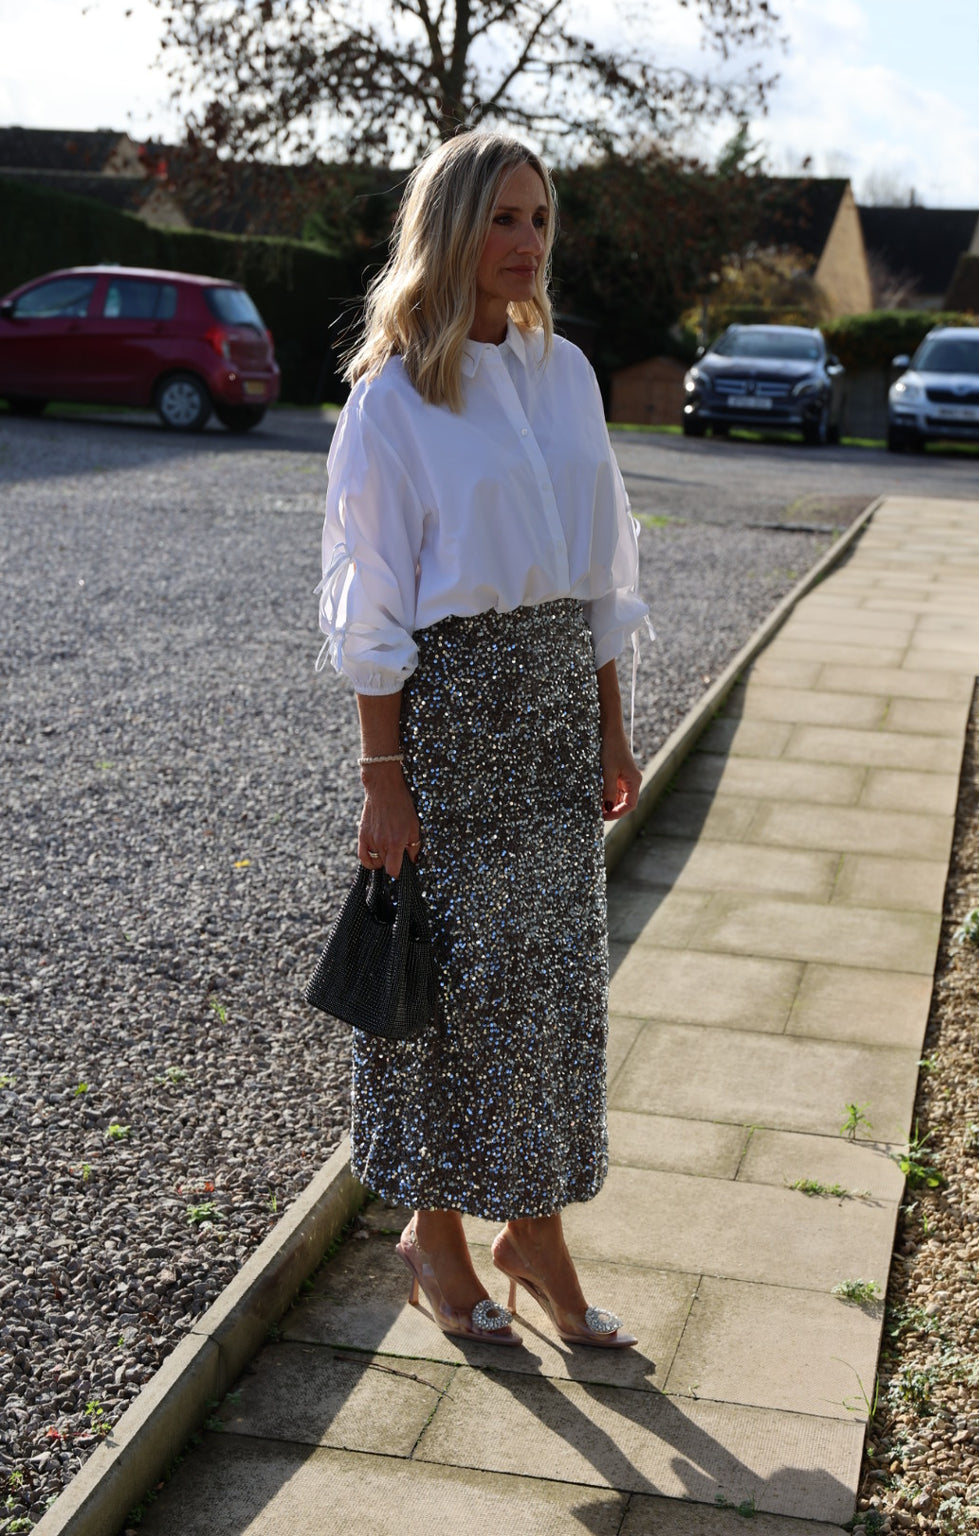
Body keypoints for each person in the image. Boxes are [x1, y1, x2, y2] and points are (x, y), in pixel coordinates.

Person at [317, 131, 648, 1349]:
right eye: (502, 219)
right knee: (448, 998)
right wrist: (381, 779)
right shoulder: (393, 394)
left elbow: (604, 571)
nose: (524, 244)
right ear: (451, 229)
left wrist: (613, 724)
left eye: (540, 220)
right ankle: (440, 1235)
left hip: (559, 710)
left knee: (553, 995)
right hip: (449, 725)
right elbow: (373, 600)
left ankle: (534, 1228)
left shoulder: (567, 373)